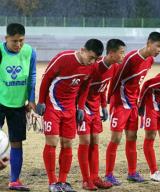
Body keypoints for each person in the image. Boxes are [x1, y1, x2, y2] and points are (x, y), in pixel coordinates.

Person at [36, 39, 104, 192]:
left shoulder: (92, 67)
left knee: (67, 144)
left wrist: (80, 107)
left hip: (70, 109)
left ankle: (63, 182)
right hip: (53, 105)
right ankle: (52, 182)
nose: (92, 61)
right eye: (91, 57)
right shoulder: (63, 58)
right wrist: (41, 101)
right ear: (82, 50)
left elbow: (85, 87)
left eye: (96, 59)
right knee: (52, 142)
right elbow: (46, 78)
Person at [105, 32, 160, 185]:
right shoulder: (131, 58)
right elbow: (116, 78)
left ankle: (132, 172)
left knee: (132, 138)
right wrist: (108, 99)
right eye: (157, 46)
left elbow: (138, 81)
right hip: (120, 103)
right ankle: (108, 174)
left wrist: (139, 103)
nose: (159, 50)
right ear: (148, 43)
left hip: (133, 104)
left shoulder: (150, 60)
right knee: (116, 139)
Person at [77, 39, 126, 190]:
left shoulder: (114, 67)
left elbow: (102, 88)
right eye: (121, 53)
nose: (123, 56)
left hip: (95, 108)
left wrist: (104, 106)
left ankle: (95, 177)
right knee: (85, 142)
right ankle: (86, 180)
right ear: (111, 53)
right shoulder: (94, 67)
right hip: (82, 106)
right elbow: (82, 88)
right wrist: (79, 107)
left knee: (95, 142)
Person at [0, 23, 36, 191]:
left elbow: (32, 76)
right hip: (0, 101)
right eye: (14, 41)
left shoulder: (30, 51)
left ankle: (14, 180)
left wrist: (31, 99)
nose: (18, 45)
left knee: (17, 142)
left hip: (18, 105)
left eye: (21, 40)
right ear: (5, 38)